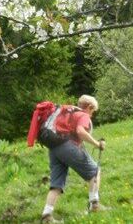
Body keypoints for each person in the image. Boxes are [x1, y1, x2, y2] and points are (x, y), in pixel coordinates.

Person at [41, 95, 108, 223]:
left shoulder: (70, 112)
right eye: (93, 111)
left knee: (56, 184)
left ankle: (47, 215)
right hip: (66, 146)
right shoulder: (83, 115)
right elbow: (80, 131)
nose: (92, 115)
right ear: (89, 107)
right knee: (95, 171)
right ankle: (94, 205)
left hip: (54, 149)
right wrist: (97, 144)